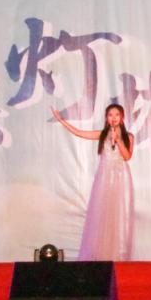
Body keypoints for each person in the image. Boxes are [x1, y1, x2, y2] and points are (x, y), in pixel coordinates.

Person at [51, 104, 134, 261]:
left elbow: (127, 156)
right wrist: (61, 120)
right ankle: (101, 255)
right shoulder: (102, 134)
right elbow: (79, 133)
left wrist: (118, 140)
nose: (114, 118)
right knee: (102, 214)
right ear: (106, 118)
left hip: (121, 178)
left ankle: (118, 255)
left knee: (118, 215)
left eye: (117, 115)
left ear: (122, 118)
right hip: (104, 177)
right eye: (110, 115)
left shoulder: (129, 136)